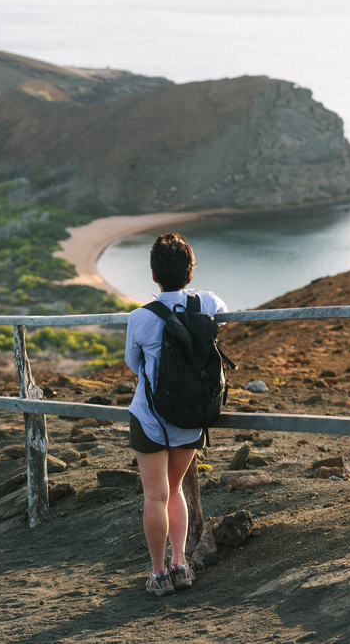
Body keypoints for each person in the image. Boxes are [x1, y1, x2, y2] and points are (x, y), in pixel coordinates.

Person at [125, 233, 227, 597]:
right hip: (191, 419)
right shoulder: (209, 301)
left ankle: (157, 573)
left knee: (155, 495)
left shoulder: (140, 317)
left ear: (154, 275)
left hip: (152, 419)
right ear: (191, 271)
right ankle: (180, 565)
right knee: (176, 491)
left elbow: (133, 364)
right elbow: (221, 323)